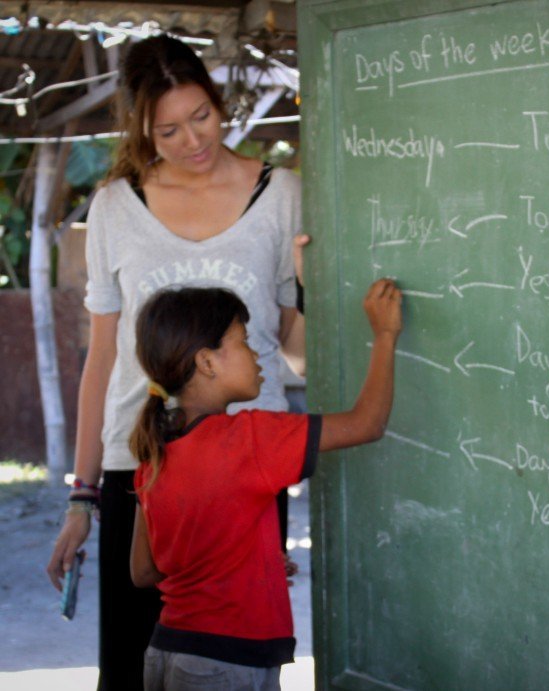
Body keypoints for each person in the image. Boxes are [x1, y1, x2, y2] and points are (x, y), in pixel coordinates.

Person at [45, 34, 304, 689]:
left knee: (240, 665)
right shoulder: (113, 206)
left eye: (202, 116)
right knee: (134, 665)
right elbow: (102, 357)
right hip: (140, 464)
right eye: (167, 129)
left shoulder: (280, 193)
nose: (193, 139)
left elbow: (295, 346)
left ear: (220, 103)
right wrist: (82, 496)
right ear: (140, 129)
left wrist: (315, 291)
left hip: (247, 467)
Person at [129, 281, 400, 690]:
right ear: (207, 362)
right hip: (225, 661)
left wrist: (251, 565)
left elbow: (144, 571)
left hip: (167, 651)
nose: (257, 356)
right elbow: (367, 423)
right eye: (244, 342)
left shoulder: (155, 451)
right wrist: (385, 335)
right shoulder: (250, 439)